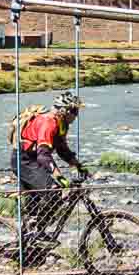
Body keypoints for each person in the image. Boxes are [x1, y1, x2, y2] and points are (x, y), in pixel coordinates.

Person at [13, 90, 86, 242]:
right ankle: (37, 233)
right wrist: (59, 177)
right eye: (74, 110)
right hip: (24, 160)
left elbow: (62, 150)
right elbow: (43, 155)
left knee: (35, 205)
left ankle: (29, 240)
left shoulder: (61, 124)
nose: (76, 114)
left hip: (33, 160)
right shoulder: (49, 122)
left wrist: (78, 165)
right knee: (53, 191)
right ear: (63, 111)